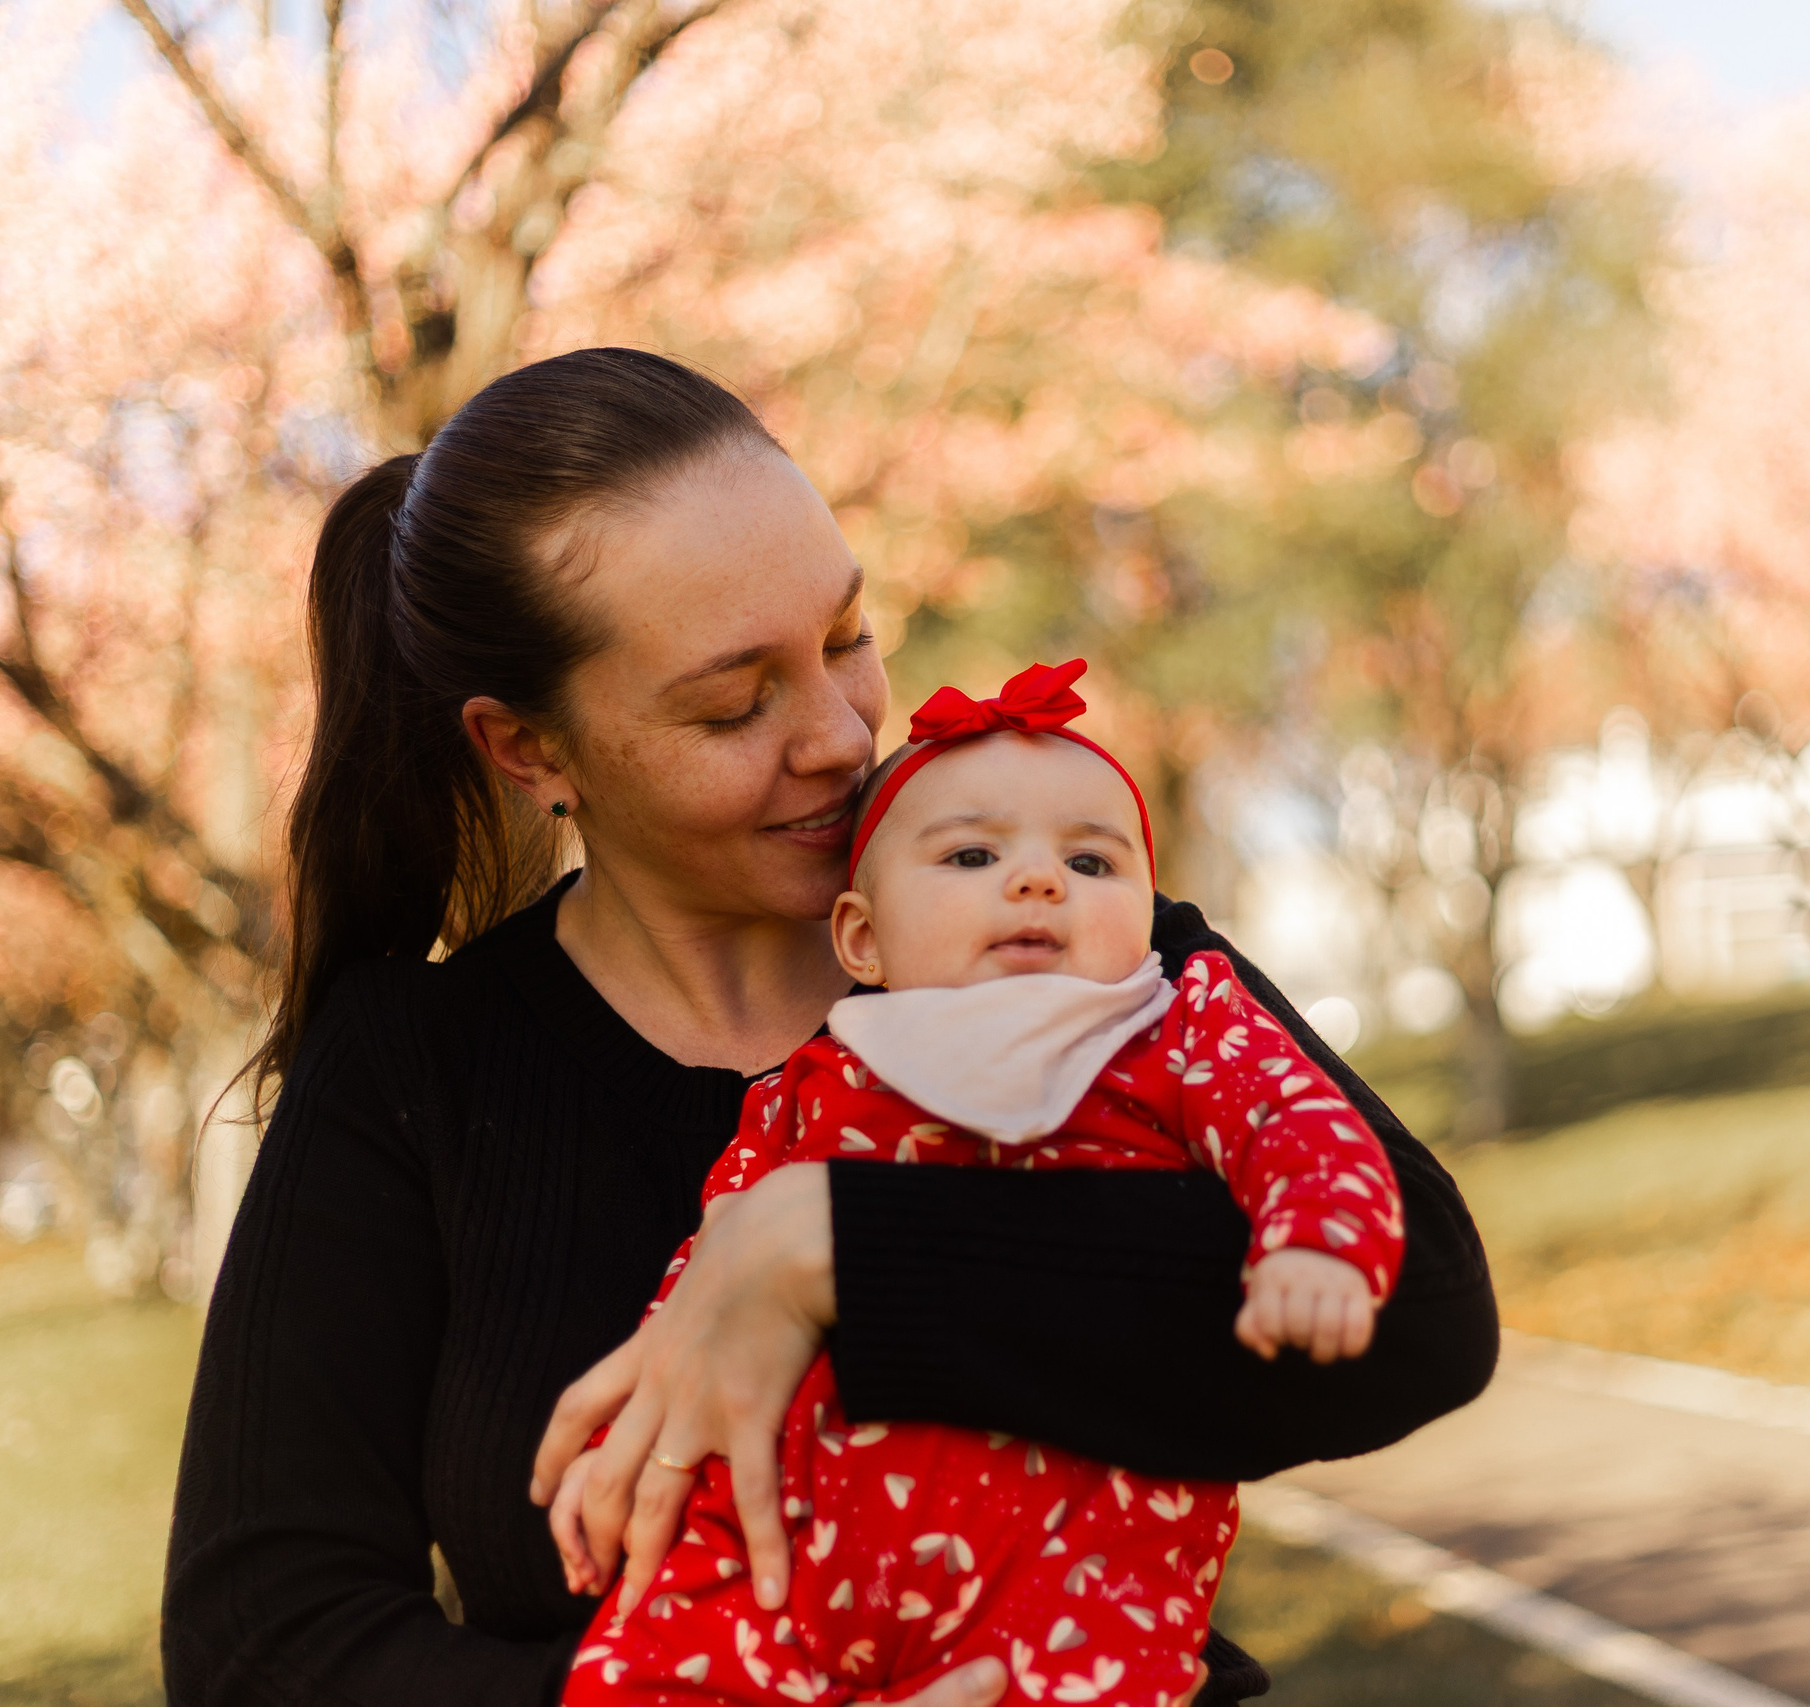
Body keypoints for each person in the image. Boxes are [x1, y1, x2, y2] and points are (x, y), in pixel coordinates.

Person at [161, 348, 1500, 1707]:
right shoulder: (417, 1070)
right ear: (531, 749)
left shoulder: (1077, 950)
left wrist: (835, 1245)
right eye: (735, 702)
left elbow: (1427, 1312)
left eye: (849, 637)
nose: (842, 734)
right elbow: (265, 1640)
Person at [556, 660, 1403, 1707]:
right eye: (972, 854)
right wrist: (627, 1442)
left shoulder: (1175, 1030)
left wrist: (1317, 1240)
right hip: (796, 1546)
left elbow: (1298, 1120)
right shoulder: (813, 1082)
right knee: (639, 1673)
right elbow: (711, 1281)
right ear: (861, 938)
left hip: (1078, 1556)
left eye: (1093, 863)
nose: (1040, 879)